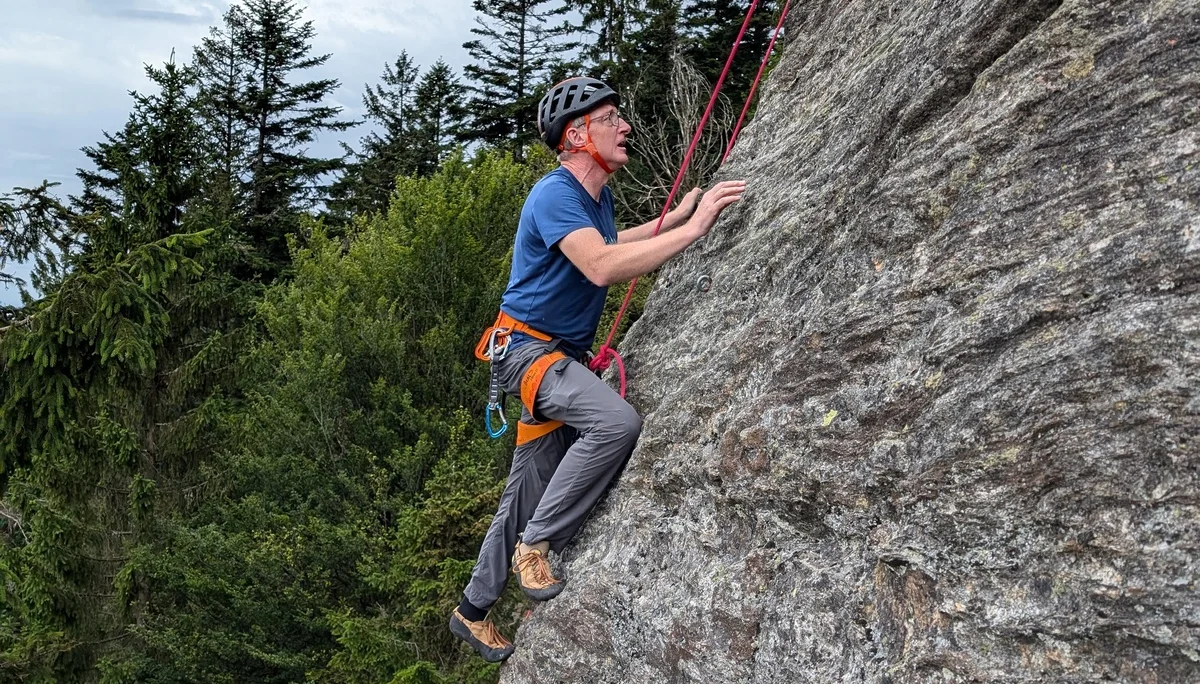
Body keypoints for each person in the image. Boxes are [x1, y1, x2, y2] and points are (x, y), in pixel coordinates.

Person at [449, 76, 746, 662]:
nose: (624, 125)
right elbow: (602, 265)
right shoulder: (555, 194)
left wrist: (674, 217)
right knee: (615, 423)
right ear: (576, 136)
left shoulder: (595, 198)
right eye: (610, 118)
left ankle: (472, 610)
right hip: (529, 354)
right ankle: (536, 547)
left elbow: (611, 240)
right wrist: (693, 230)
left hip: (549, 358)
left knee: (525, 489)